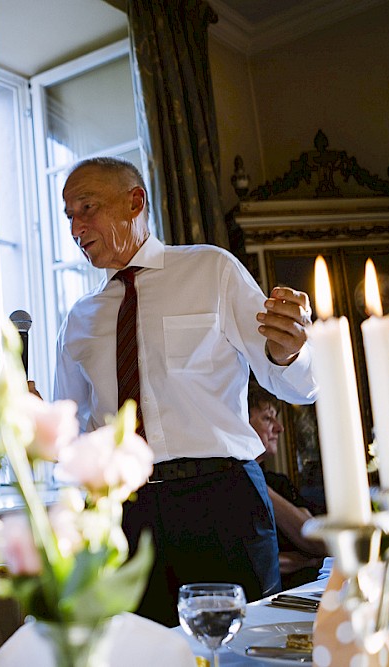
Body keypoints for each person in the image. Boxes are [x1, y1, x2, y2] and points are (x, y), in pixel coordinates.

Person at [54, 157, 318, 625]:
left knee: (242, 651)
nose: (76, 226)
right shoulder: (79, 319)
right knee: (144, 655)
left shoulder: (211, 270)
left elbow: (295, 385)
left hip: (222, 502)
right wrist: (42, 428)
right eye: (69, 215)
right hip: (125, 518)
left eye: (87, 208)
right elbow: (74, 438)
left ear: (134, 201)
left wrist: (289, 351)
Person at [249, 379, 327, 589]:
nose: (280, 428)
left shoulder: (279, 483)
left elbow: (318, 541)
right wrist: (306, 559)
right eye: (267, 418)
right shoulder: (228, 489)